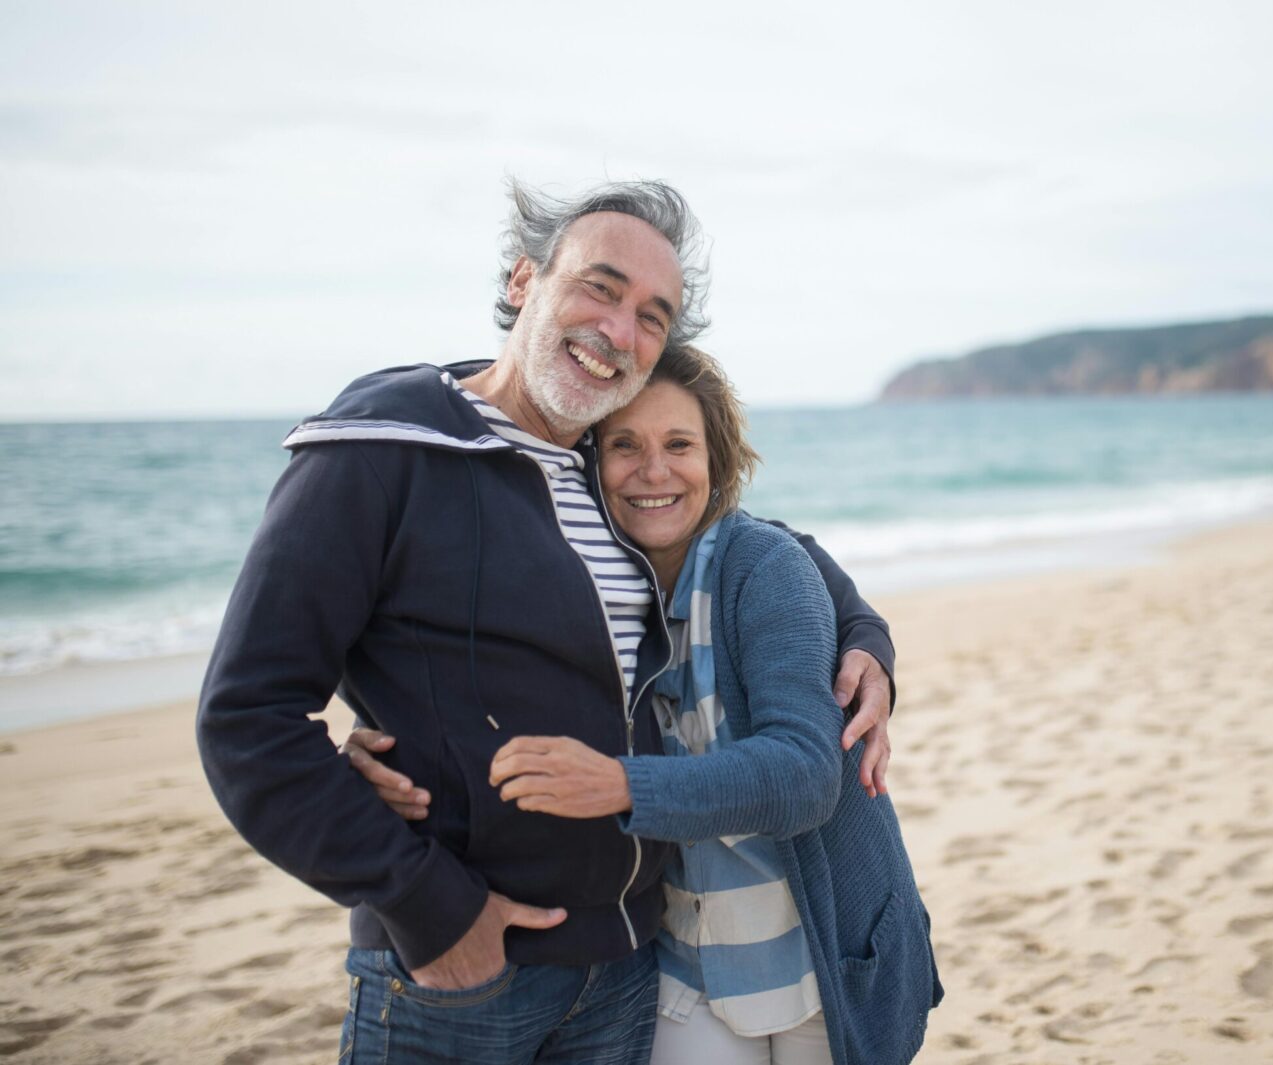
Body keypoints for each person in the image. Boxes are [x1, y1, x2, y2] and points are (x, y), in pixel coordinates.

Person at [195, 180, 897, 1065]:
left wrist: (865, 637)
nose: (620, 331)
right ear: (525, 281)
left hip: (633, 967)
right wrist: (433, 912)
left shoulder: (600, 468)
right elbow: (246, 720)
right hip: (465, 977)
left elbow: (755, 541)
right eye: (600, 287)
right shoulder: (379, 452)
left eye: (653, 315)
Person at [375, 347, 942, 1063]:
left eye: (680, 444)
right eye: (624, 446)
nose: (654, 470)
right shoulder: (590, 582)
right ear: (587, 461)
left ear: (717, 459)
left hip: (821, 957)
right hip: (686, 955)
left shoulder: (763, 568)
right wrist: (380, 735)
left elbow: (805, 775)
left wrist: (619, 785)